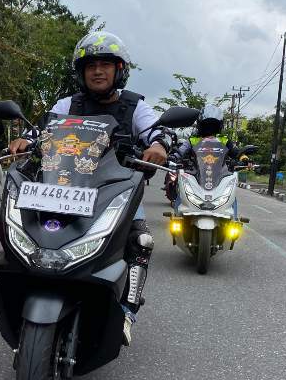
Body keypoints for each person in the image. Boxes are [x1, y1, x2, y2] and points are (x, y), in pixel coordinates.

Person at [9, 31, 170, 340]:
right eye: (90, 65)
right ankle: (22, 293)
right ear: (81, 72)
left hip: (115, 192)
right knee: (23, 232)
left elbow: (158, 131)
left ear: (119, 70)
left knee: (141, 242)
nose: (98, 71)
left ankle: (126, 311)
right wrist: (25, 141)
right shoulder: (68, 103)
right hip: (61, 189)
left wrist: (160, 144)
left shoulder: (136, 107)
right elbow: (44, 130)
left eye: (106, 64)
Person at [175, 104, 240, 217]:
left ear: (219, 126)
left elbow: (236, 153)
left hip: (221, 175)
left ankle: (233, 219)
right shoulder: (192, 140)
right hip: (195, 175)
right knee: (180, 194)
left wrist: (245, 159)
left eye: (213, 125)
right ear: (201, 125)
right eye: (207, 125)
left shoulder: (224, 140)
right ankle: (177, 217)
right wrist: (174, 157)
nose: (210, 129)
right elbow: (181, 150)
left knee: (231, 198)